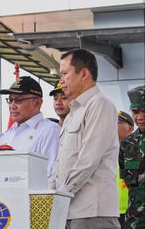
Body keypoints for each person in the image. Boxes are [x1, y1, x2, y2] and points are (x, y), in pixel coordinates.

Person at [51, 49, 120, 229]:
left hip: (93, 212)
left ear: (84, 74)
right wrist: (50, 195)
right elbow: (61, 163)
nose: (62, 80)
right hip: (70, 210)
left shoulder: (100, 104)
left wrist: (61, 194)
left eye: (65, 73)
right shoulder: (74, 111)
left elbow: (89, 159)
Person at [0, 76, 60, 178]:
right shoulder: (7, 135)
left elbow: (52, 176)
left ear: (37, 103)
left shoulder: (50, 130)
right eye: (10, 100)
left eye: (18, 100)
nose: (12, 106)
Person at [119, 85, 145, 229]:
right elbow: (127, 181)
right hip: (135, 220)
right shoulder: (127, 144)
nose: (140, 117)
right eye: (135, 112)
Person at [117, 111, 134, 229]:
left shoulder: (138, 149)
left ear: (130, 128)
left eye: (118, 122)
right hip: (111, 211)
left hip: (135, 209)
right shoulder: (105, 149)